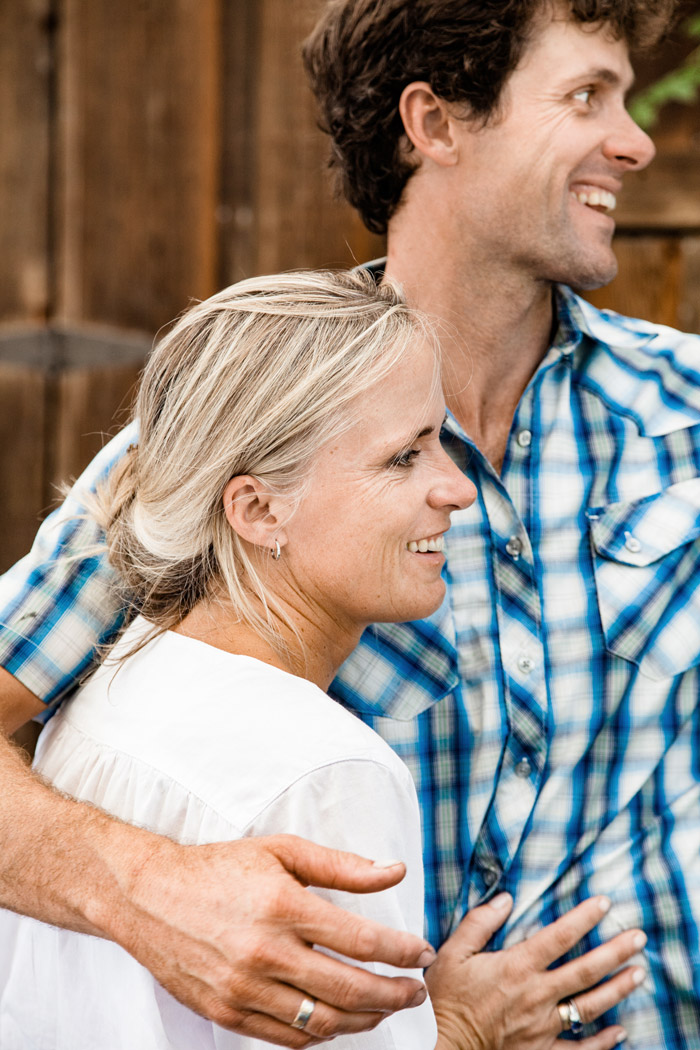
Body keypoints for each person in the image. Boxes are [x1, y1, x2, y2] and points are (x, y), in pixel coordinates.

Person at [0, 0, 692, 1047]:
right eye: (586, 95)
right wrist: (143, 888)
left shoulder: (686, 412)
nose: (635, 140)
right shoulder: (235, 442)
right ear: (435, 123)